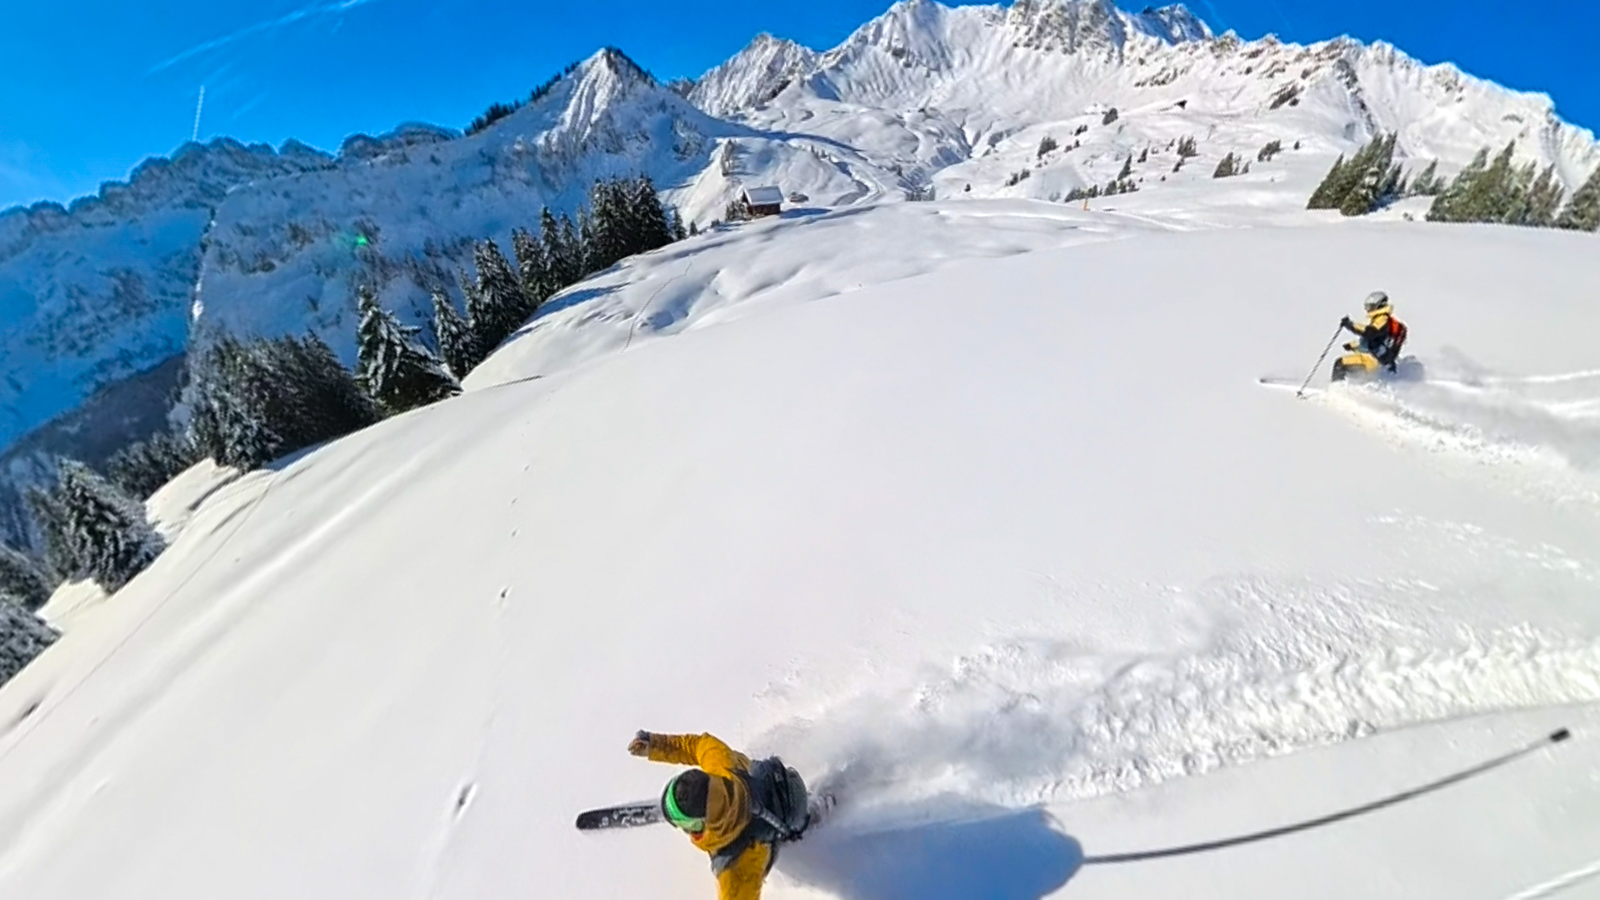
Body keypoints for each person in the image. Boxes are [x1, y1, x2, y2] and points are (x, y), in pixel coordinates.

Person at [628, 730, 814, 900]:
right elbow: (696, 746)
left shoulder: (737, 867)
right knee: (740, 763)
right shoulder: (720, 763)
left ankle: (815, 816)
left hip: (781, 822)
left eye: (686, 825)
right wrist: (655, 744)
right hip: (774, 783)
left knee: (776, 839)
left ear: (704, 822)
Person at [1339, 290, 1407, 371]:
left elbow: (1370, 333)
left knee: (1340, 364)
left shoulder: (1382, 319)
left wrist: (1350, 325)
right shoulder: (1380, 319)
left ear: (1378, 306)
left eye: (1370, 306)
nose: (1367, 309)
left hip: (1372, 360)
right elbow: (1374, 341)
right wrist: (1353, 345)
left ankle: (1336, 381)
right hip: (1377, 359)